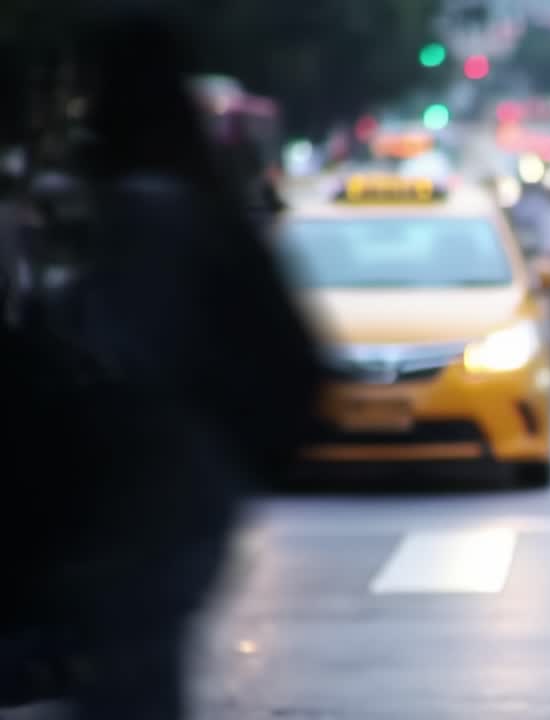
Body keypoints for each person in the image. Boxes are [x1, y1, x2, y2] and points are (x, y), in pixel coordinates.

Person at [5, 8, 321, 717]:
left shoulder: (147, 210)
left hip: (145, 494)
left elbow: (121, 356)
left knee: (132, 684)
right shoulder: (189, 197)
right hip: (193, 486)